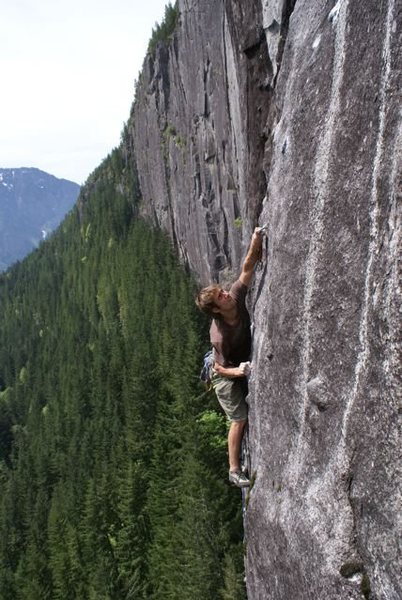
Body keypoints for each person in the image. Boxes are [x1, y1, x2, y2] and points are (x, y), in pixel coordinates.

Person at [196, 227, 263, 487]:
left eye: (221, 291)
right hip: (223, 373)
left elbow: (247, 267)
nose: (225, 294)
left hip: (235, 363)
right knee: (239, 418)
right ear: (215, 309)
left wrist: (256, 238)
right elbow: (219, 369)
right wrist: (240, 372)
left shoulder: (235, 297)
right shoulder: (219, 335)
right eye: (219, 297)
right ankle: (233, 471)